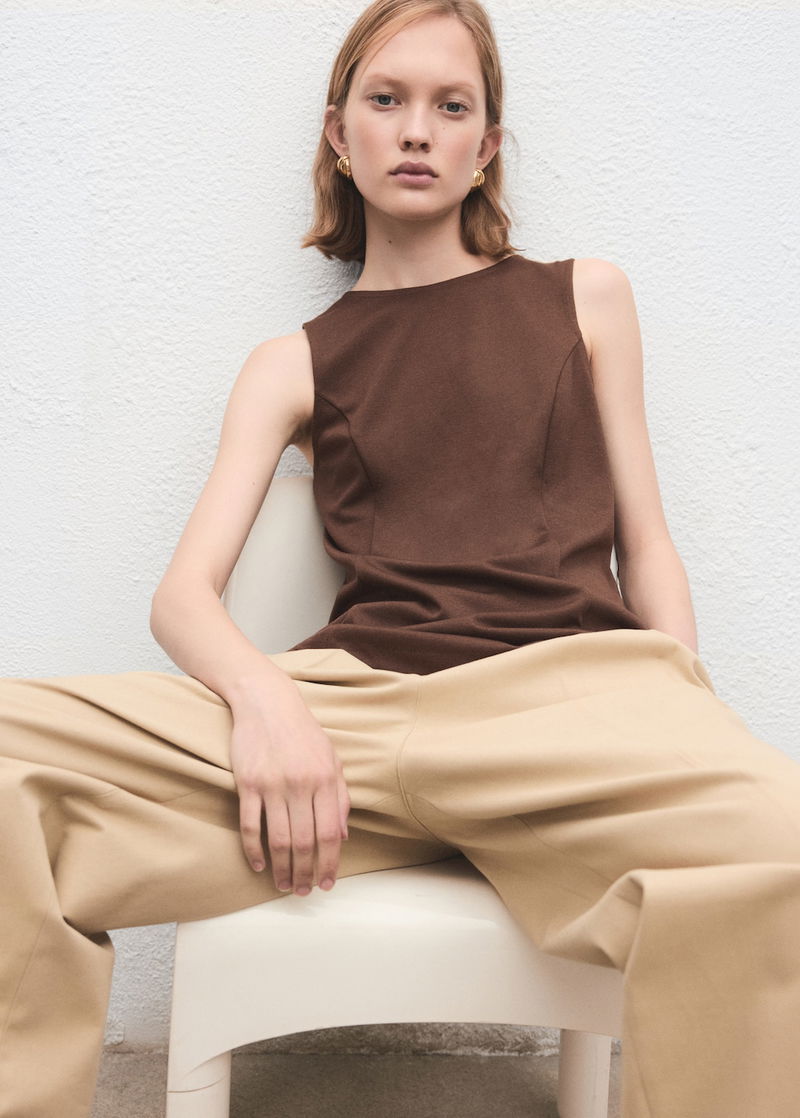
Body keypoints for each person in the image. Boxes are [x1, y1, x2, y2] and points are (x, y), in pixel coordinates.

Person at [1, 1, 798, 1116]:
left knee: (778, 842)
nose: (417, 128)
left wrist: (680, 705)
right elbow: (183, 595)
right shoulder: (290, 362)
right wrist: (266, 702)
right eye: (387, 100)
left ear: (486, 146)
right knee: (10, 756)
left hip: (562, 706)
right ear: (341, 134)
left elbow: (646, 539)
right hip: (350, 717)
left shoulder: (585, 297)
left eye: (450, 106)